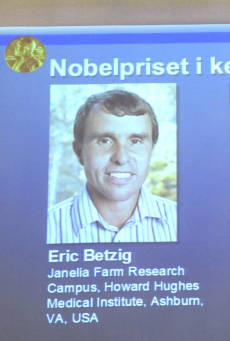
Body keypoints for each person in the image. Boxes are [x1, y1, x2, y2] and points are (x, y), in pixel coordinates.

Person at [48, 89, 176, 244]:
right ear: (79, 151)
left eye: (135, 141)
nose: (121, 158)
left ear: (151, 151)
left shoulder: (182, 222)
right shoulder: (46, 227)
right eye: (105, 141)